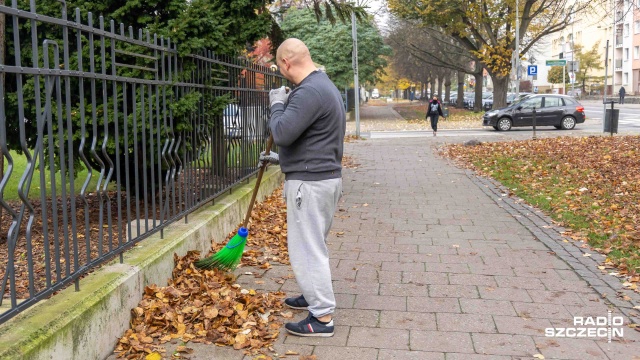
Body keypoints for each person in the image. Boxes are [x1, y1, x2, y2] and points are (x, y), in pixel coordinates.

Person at [258, 38, 344, 337]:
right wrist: (278, 158)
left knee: (307, 249)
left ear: (286, 63)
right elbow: (310, 139)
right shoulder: (323, 85)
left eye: (279, 67)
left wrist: (277, 104)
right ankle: (312, 294)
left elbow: (282, 132)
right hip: (323, 177)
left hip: (310, 182)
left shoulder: (308, 92)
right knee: (314, 243)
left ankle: (321, 318)